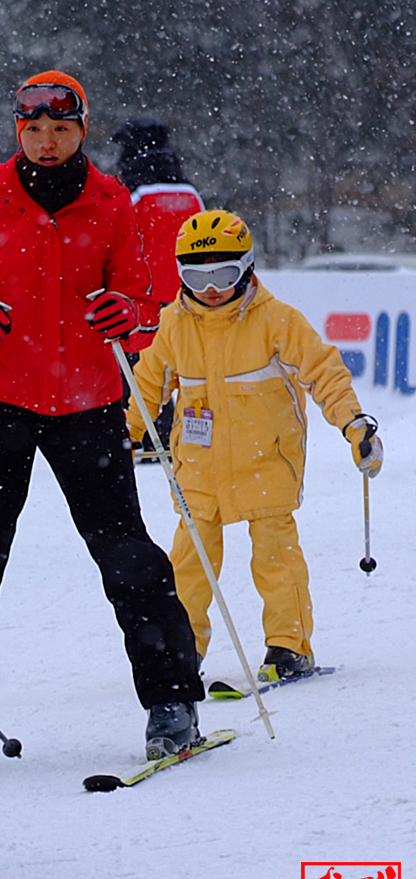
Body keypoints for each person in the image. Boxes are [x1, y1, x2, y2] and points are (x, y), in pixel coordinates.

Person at [0, 70, 205, 774]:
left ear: (82, 129)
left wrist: (126, 314)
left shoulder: (111, 202)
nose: (46, 142)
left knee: (127, 555)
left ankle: (172, 702)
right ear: (19, 130)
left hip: (90, 404)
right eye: (33, 129)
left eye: (61, 129)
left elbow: (143, 300)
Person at [126, 210, 383, 678]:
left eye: (222, 274)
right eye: (194, 276)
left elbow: (324, 373)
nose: (209, 288)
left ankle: (289, 645)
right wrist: (124, 435)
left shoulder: (277, 320)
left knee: (275, 556)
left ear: (244, 266)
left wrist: (354, 425)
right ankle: (183, 651)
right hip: (198, 466)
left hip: (267, 461)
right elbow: (145, 387)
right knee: (189, 563)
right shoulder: (173, 325)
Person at [112, 118, 204, 458]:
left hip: (142, 298)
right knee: (177, 368)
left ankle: (140, 434)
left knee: (137, 370)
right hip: (187, 294)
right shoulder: (189, 191)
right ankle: (175, 435)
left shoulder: (130, 191)